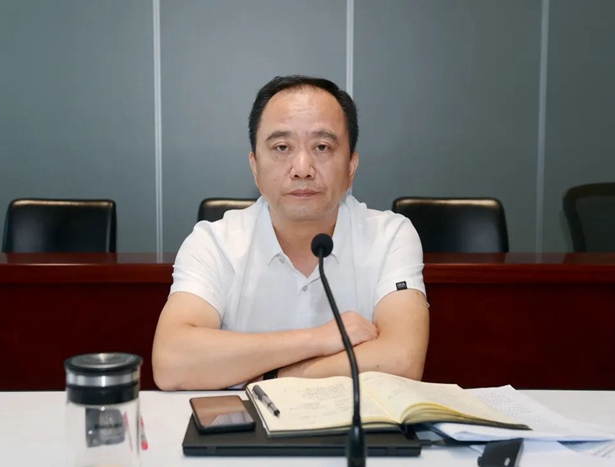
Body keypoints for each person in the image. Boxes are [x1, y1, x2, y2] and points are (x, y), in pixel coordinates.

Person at [152, 75, 429, 390]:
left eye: (322, 147)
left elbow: (401, 360)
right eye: (282, 147)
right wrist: (320, 338)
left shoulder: (389, 236)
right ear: (255, 166)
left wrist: (271, 378)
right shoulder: (214, 243)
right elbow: (172, 362)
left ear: (351, 166)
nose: (302, 168)